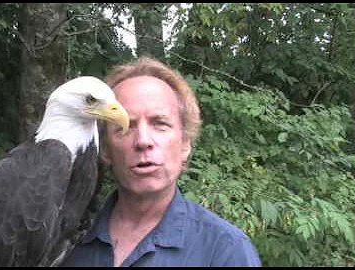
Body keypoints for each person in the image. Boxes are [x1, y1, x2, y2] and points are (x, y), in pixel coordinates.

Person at [59, 57, 262, 267]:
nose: (143, 141)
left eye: (160, 124)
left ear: (185, 143)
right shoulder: (63, 243)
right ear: (106, 149)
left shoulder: (225, 251)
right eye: (126, 126)